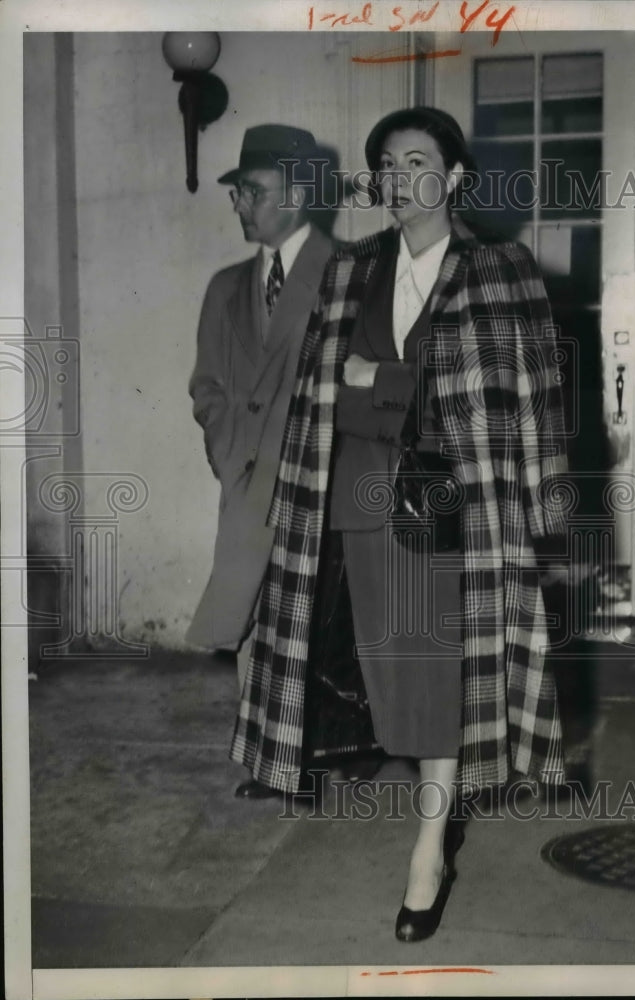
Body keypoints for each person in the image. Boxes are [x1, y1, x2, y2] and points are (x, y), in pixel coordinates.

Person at [230, 107, 571, 939]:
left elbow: (534, 397)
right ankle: (436, 813)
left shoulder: (502, 268)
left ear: (454, 178)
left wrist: (548, 509)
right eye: (385, 164)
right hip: (353, 501)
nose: (395, 178)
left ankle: (428, 848)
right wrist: (389, 387)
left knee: (430, 676)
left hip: (452, 505)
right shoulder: (350, 271)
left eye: (415, 161)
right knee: (388, 677)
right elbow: (324, 394)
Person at [187, 124, 377, 799]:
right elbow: (206, 385)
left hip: (315, 481)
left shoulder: (351, 273)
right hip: (245, 479)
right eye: (237, 192)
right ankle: (270, 761)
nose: (240, 204)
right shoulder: (225, 287)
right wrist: (226, 447)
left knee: (307, 621)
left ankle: (313, 758)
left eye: (253, 192)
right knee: (251, 627)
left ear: (296, 196)